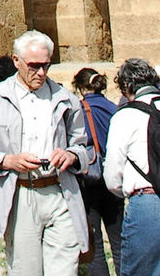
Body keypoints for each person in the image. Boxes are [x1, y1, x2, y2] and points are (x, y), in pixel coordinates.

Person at [0, 29, 90, 275]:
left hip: (61, 192)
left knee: (66, 271)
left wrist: (71, 155)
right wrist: (8, 160)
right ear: (17, 61)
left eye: (46, 65)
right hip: (21, 194)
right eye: (34, 66)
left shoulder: (66, 98)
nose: (41, 73)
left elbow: (84, 147)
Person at [104, 58, 160, 276]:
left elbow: (112, 176)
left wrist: (127, 192)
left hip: (147, 201)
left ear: (126, 86)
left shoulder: (125, 116)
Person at [72, 68, 122, 276]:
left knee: (95, 244)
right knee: (119, 242)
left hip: (89, 179)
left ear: (81, 87)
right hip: (112, 177)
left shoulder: (80, 110)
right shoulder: (113, 107)